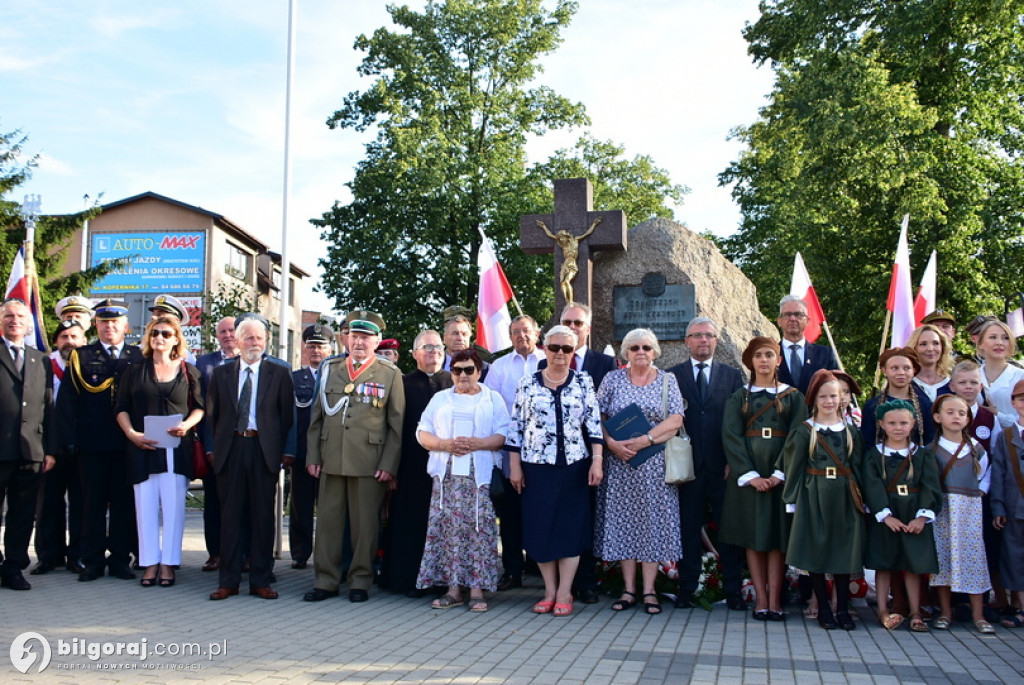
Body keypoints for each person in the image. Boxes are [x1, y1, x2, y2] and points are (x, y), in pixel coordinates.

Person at [304, 312, 405, 604]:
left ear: (376, 341)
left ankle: (360, 580)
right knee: (328, 524)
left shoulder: (389, 374)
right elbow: (316, 417)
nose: (359, 342)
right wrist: (313, 455)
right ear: (346, 338)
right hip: (331, 457)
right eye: (354, 336)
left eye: (365, 338)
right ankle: (326, 580)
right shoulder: (330, 368)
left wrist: (389, 465)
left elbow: (395, 425)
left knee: (365, 527)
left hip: (369, 462)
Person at [506, 325, 604, 617]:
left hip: (575, 468)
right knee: (540, 528)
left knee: (571, 529)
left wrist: (597, 460)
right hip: (536, 469)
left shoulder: (583, 382)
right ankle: (549, 590)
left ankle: (565, 591)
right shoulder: (528, 383)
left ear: (574, 352)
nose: (560, 353)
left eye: (567, 349)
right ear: (544, 348)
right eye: (554, 348)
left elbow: (594, 425)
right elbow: (516, 429)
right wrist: (514, 468)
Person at [595, 328, 683, 615]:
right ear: (626, 353)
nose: (641, 351)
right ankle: (628, 589)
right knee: (624, 526)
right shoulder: (612, 379)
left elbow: (676, 419)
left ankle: (649, 591)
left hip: (656, 466)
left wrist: (647, 439)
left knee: (652, 526)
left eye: (646, 347)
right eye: (634, 348)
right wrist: (610, 444)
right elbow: (598, 416)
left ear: (655, 351)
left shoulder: (668, 380)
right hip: (620, 466)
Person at [206, 317, 294, 600]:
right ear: (238, 341)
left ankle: (260, 580)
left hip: (263, 451)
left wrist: (285, 452)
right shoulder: (222, 374)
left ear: (265, 341)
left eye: (259, 338)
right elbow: (212, 416)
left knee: (261, 519)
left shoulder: (279, 373)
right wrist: (212, 450)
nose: (254, 343)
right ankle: (228, 581)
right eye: (249, 338)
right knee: (230, 518)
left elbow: (287, 417)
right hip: (231, 449)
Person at [415, 350, 509, 611]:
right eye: (457, 370)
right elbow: (422, 432)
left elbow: (504, 433)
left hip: (479, 476)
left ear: (479, 371)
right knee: (450, 531)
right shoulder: (440, 398)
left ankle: (477, 590)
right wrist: (445, 444)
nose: (463, 375)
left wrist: (478, 444)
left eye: (469, 370)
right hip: (446, 478)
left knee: (478, 530)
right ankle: (453, 589)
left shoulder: (493, 398)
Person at [720, 336, 806, 620]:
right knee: (753, 537)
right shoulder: (739, 396)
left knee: (776, 538)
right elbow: (731, 437)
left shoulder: (792, 397)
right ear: (751, 362)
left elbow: (798, 436)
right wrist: (751, 475)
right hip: (749, 478)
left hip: (780, 476)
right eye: (758, 356)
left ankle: (776, 599)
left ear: (779, 360)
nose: (764, 360)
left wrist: (781, 473)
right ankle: (760, 598)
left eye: (770, 354)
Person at [58, 298, 144, 582]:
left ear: (126, 326)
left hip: (127, 444)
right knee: (91, 505)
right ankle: (93, 560)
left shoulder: (137, 357)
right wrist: (69, 440)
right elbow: (68, 402)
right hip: (92, 444)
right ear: (95, 325)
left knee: (123, 504)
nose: (110, 327)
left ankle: (120, 559)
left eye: (115, 322)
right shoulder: (81, 356)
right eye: (104, 322)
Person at [115, 316, 203, 587]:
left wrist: (187, 425)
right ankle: (150, 563)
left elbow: (200, 407)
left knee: (175, 508)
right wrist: (131, 434)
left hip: (176, 450)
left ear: (177, 339)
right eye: (155, 333)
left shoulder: (189, 371)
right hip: (143, 447)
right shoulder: (135, 370)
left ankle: (169, 564)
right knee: (145, 508)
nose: (160, 338)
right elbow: (121, 408)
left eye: (166, 334)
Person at [668, 317, 745, 610]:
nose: (703, 340)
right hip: (687, 466)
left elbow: (736, 422)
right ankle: (687, 588)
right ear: (687, 341)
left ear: (716, 341)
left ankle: (734, 590)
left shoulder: (732, 376)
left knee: (728, 530)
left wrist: (732, 461)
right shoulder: (672, 375)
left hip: (722, 467)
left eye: (708, 335)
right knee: (688, 529)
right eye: (697, 335)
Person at [782, 370, 865, 630]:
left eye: (834, 396)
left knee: (842, 550)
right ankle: (823, 609)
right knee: (816, 550)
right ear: (814, 399)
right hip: (813, 493)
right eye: (823, 396)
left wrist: (865, 498)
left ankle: (842, 608)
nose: (829, 401)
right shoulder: (806, 431)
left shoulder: (851, 432)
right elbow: (793, 466)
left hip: (843, 495)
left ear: (842, 398)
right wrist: (791, 498)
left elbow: (859, 466)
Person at [546, 301, 616, 602]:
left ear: (588, 329)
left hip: (592, 455)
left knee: (585, 517)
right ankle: (556, 585)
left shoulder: (604, 364)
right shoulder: (546, 363)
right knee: (556, 516)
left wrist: (603, 451)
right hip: (553, 459)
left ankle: (585, 581)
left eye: (578, 324)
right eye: (567, 322)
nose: (572, 328)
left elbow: (609, 411)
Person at [861, 399, 941, 633]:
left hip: (914, 513)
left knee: (913, 564)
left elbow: (931, 486)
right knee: (883, 562)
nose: (898, 428)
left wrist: (922, 517)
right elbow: (871, 485)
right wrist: (885, 515)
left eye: (903, 423)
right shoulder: (874, 455)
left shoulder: (923, 455)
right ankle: (883, 610)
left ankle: (915, 611)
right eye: (892, 423)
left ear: (913, 424)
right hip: (887, 514)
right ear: (881, 425)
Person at [384, 330, 452, 596]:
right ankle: (409, 580)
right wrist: (391, 468)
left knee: (444, 524)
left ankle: (444, 580)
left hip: (446, 467)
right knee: (410, 523)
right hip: (411, 466)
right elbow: (392, 427)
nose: (433, 351)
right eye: (426, 347)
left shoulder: (454, 381)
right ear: (414, 354)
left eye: (437, 347)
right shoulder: (402, 383)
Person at [483, 314, 545, 590]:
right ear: (510, 337)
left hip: (546, 451)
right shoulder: (499, 367)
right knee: (510, 513)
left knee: (541, 510)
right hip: (512, 450)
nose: (522, 335)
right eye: (516, 331)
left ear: (537, 333)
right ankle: (512, 569)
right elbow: (492, 409)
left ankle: (539, 564)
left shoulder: (549, 360)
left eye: (526, 330)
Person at [0, 298, 56, 591]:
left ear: (28, 321)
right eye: (9, 316)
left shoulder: (40, 360)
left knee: (22, 515)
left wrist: (49, 449)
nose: (15, 320)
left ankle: (13, 567)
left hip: (31, 450)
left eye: (20, 316)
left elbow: (48, 406)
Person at [928, 394, 995, 633]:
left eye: (961, 413)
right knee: (943, 559)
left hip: (969, 511)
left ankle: (978, 615)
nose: (956, 417)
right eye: (950, 412)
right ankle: (945, 612)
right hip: (942, 511)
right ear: (937, 417)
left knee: (973, 558)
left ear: (968, 419)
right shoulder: (931, 450)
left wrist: (981, 492)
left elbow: (987, 473)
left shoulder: (976, 448)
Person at [31, 319, 87, 576]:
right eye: (64, 336)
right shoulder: (44, 365)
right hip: (52, 446)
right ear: (56, 341)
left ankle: (77, 555)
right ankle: (48, 555)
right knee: (49, 503)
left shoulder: (87, 364)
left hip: (82, 445)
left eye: (75, 336)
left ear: (84, 340)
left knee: (81, 503)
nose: (69, 341)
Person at [194, 316, 239, 573]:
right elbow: (202, 407)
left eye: (232, 330)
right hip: (214, 445)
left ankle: (241, 554)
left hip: (243, 444)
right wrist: (208, 446)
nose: (228, 335)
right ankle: (215, 553)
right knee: (213, 502)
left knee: (241, 503)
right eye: (222, 331)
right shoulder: (204, 363)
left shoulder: (249, 360)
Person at [288, 323, 335, 570]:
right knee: (300, 506)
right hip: (303, 453)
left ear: (330, 349)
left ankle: (325, 555)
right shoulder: (294, 379)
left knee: (328, 508)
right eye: (312, 346)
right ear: (305, 349)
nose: (316, 350)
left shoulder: (337, 377)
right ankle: (299, 554)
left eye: (321, 346)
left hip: (331, 453)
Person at [989, 379, 1024, 629]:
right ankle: (1019, 606)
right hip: (1014, 507)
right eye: (1022, 399)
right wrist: (998, 507)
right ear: (1013, 403)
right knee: (1014, 558)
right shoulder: (1006, 436)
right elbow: (998, 474)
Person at [861, 347, 935, 448]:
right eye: (895, 368)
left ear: (913, 370)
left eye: (906, 368)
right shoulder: (872, 406)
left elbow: (930, 441)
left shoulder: (925, 406)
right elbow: (867, 443)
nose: (901, 372)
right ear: (884, 370)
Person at [775, 295, 838, 394]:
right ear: (779, 321)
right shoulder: (768, 355)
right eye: (787, 314)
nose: (792, 318)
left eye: (798, 314)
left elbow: (836, 390)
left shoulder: (825, 355)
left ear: (807, 320)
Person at [975, 319, 1024, 428]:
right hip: (978, 441)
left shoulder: (1020, 376)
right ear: (981, 343)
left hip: (1013, 442)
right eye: (993, 337)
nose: (999, 342)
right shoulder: (972, 377)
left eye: (1005, 338)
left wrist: (998, 415)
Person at [909, 324, 954, 401]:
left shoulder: (952, 386)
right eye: (923, 344)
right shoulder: (906, 385)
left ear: (942, 347)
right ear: (914, 348)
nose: (930, 348)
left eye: (935, 343)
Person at [441, 313, 489, 380]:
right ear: (444, 338)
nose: (460, 338)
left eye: (464, 334)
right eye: (455, 333)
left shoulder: (485, 369)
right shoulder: (433, 367)